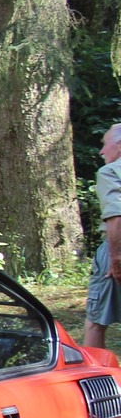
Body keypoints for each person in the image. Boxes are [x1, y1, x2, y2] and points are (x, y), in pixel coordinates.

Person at [89, 123, 121, 352]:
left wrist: (116, 258)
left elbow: (116, 216)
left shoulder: (110, 171)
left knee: (95, 321)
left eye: (104, 144)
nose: (101, 151)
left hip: (116, 247)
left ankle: (95, 371)